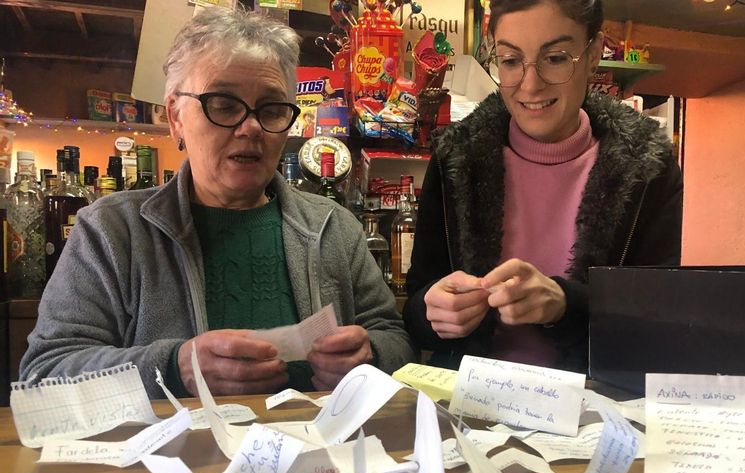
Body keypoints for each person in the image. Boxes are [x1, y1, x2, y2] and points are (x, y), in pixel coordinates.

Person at [20, 7, 415, 398]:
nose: (251, 128)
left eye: (272, 109)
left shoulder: (335, 228)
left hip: (321, 456)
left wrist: (371, 356)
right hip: (169, 461)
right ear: (175, 117)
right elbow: (45, 374)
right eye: (224, 105)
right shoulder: (110, 231)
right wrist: (174, 369)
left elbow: (395, 340)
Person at [403, 0, 682, 373]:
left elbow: (658, 322)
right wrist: (434, 313)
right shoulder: (455, 159)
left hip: (596, 409)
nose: (530, 85)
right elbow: (417, 313)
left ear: (594, 53)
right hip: (471, 410)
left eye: (555, 58)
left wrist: (565, 305)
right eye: (510, 61)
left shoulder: (649, 169)